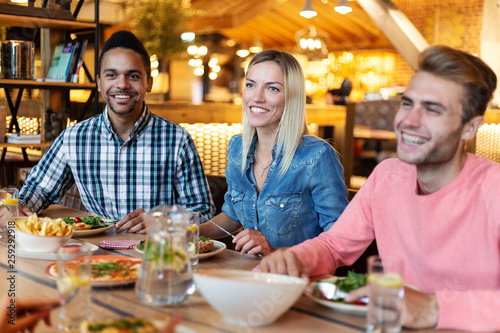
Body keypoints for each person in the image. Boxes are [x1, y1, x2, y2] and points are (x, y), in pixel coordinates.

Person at [259, 45, 500, 331]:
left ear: (470, 128)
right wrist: (294, 259)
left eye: (432, 109)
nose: (408, 121)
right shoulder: (387, 176)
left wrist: (433, 308)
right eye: (407, 103)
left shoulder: (493, 189)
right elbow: (335, 245)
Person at [14, 30, 214, 233]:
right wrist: (18, 206)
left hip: (155, 254)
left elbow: (203, 212)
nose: (122, 84)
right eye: (112, 75)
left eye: (133, 76)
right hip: (95, 251)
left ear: (148, 83)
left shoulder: (177, 140)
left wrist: (161, 221)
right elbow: (39, 189)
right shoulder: (74, 138)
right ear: (100, 83)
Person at [200, 50, 348, 256]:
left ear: (292, 97)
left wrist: (273, 252)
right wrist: (187, 233)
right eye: (251, 85)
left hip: (295, 281)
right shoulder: (237, 148)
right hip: (249, 276)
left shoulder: (317, 156)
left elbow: (340, 241)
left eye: (272, 88)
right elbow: (232, 214)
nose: (257, 97)